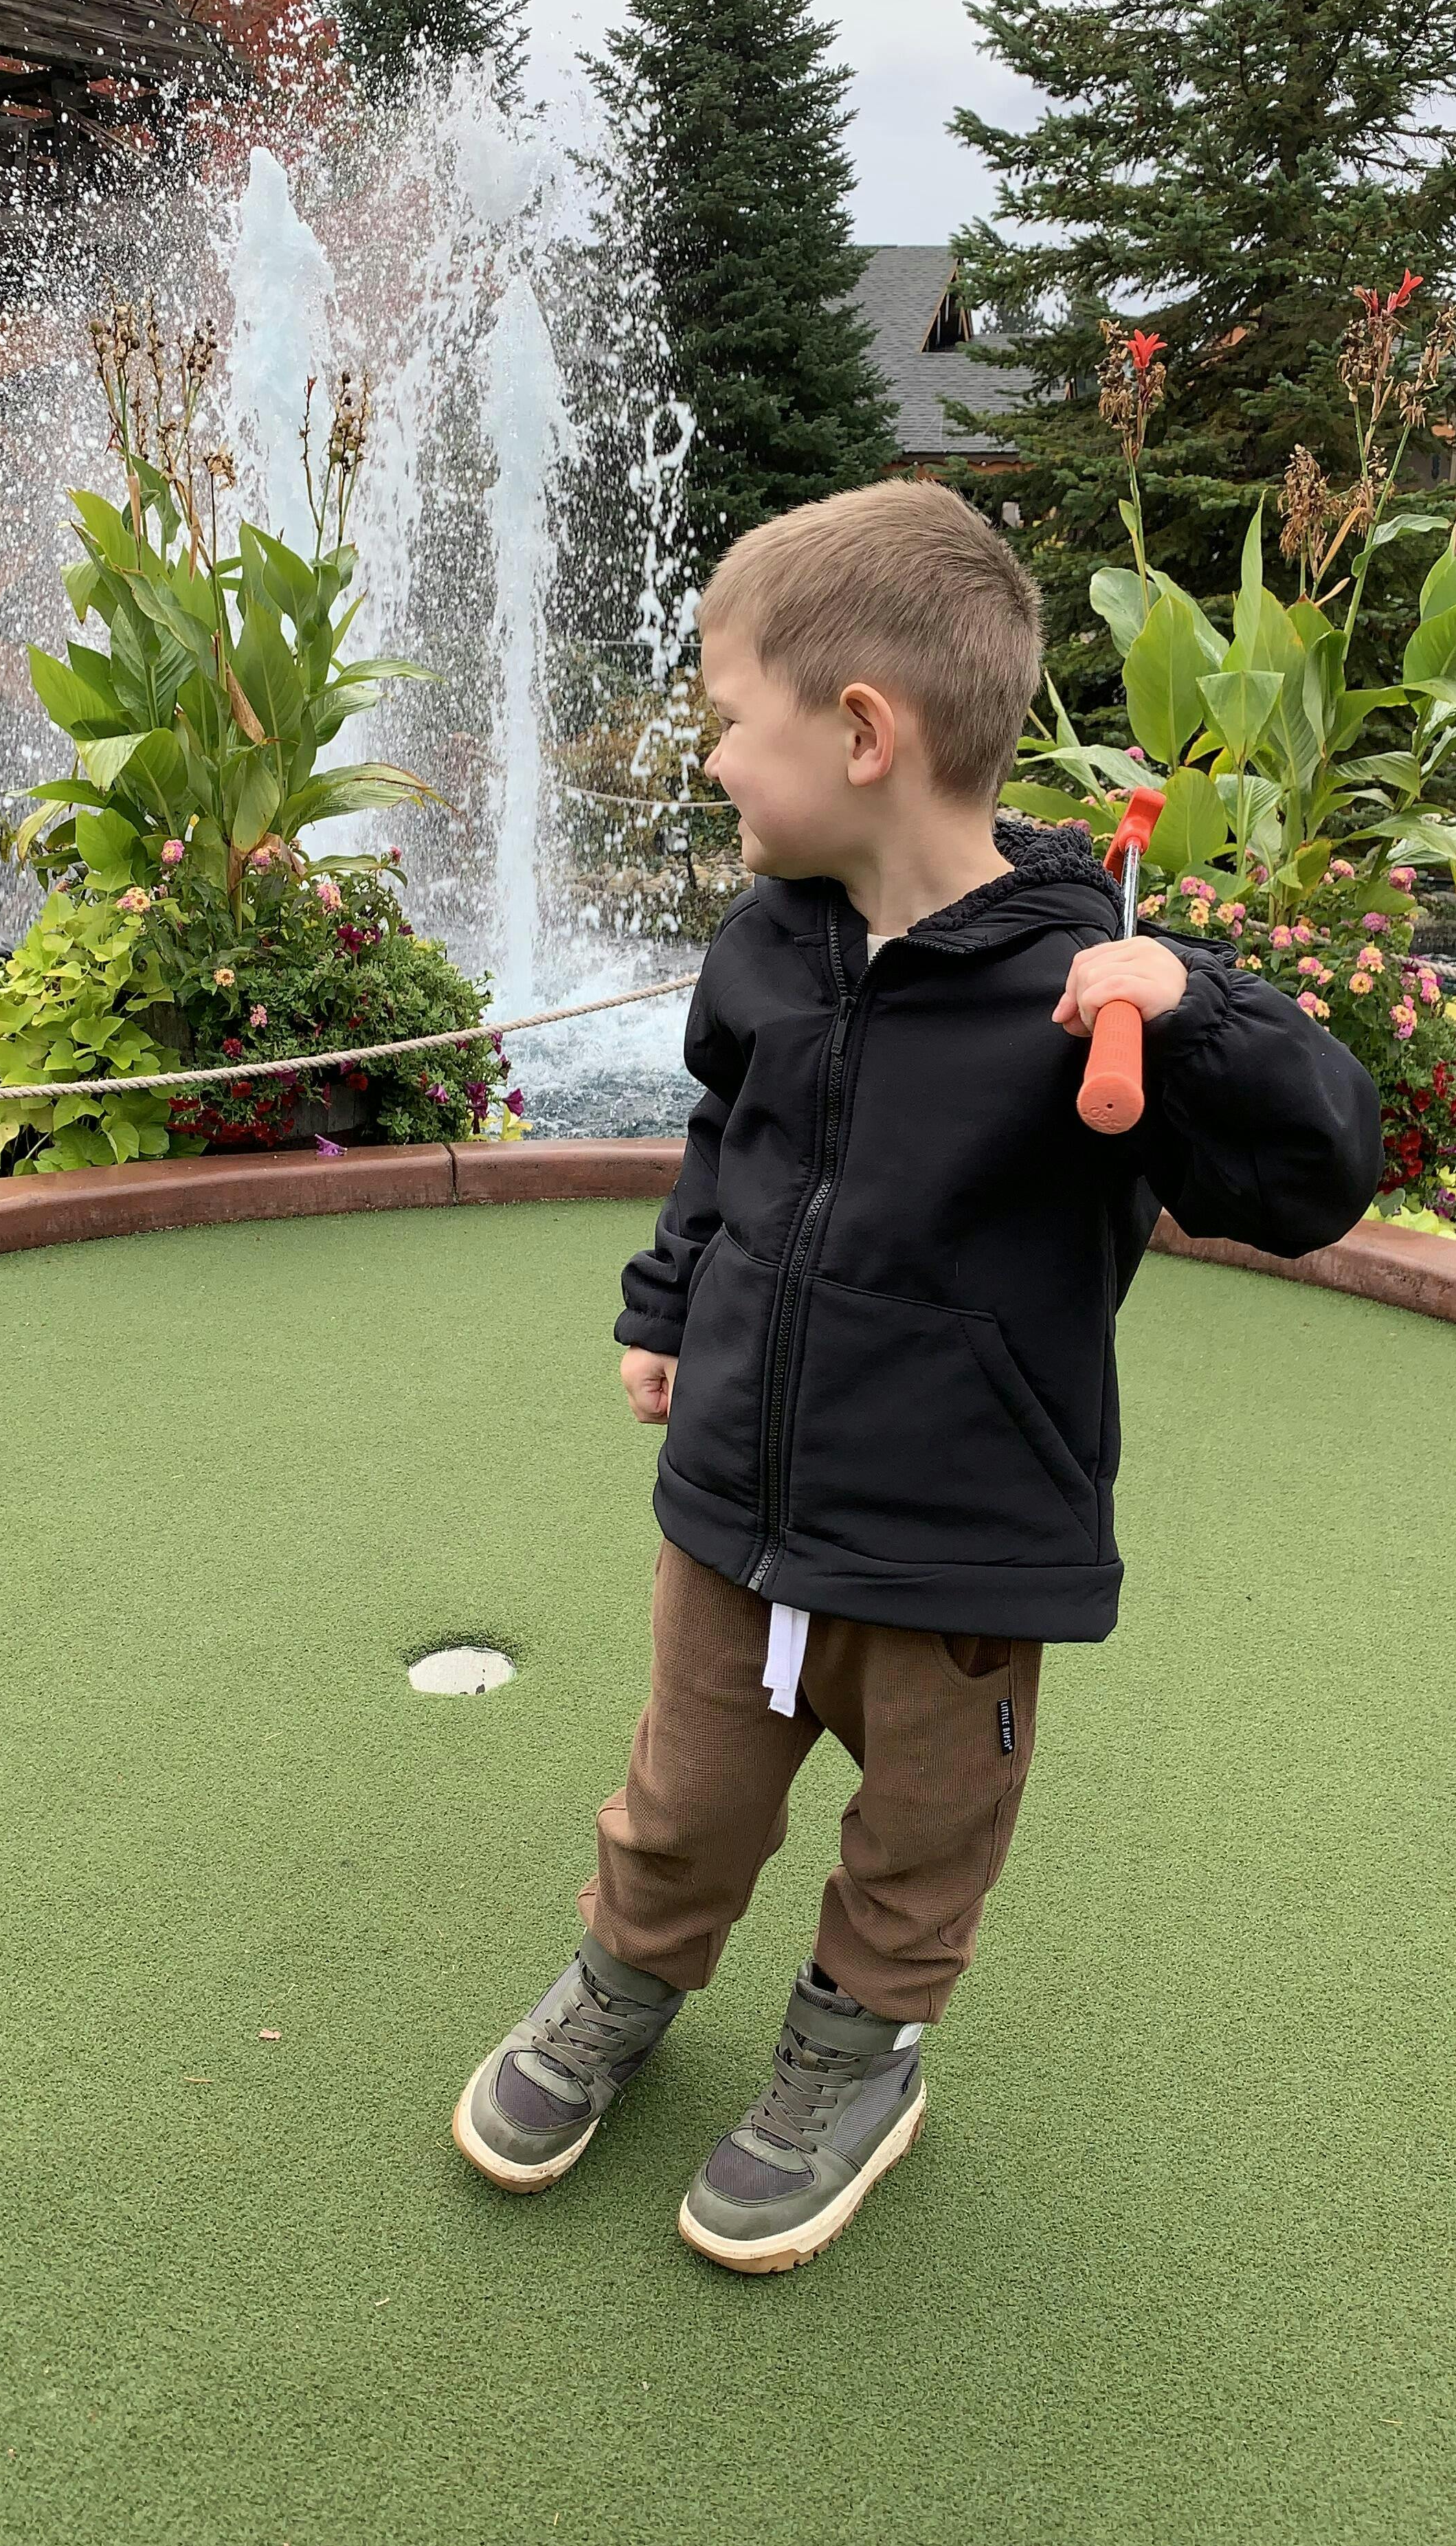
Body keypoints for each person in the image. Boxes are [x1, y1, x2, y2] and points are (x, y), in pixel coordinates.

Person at [451, 480, 1381, 2274]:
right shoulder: (768, 944)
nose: (711, 758)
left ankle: (856, 2052)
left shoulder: (1091, 986)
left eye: (731, 717)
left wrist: (1195, 1007)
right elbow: (729, 1141)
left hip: (960, 1543)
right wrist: (669, 1304)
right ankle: (628, 1975)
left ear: (862, 734)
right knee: (682, 1794)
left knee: (921, 1836)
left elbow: (1313, 1179)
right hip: (738, 1502)